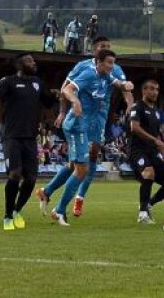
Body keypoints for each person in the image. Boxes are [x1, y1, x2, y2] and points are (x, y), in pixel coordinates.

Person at [37, 37, 132, 218]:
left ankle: (78, 197)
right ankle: (57, 201)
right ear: (95, 50)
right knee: (79, 164)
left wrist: (130, 105)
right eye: (102, 47)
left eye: (108, 46)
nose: (106, 49)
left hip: (100, 119)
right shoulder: (83, 68)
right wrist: (63, 112)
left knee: (89, 157)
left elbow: (125, 90)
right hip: (81, 118)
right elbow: (66, 88)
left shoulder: (114, 69)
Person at [0, 53, 59, 230]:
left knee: (32, 178)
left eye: (33, 60)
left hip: (30, 138)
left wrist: (55, 95)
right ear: (19, 65)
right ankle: (7, 216)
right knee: (15, 174)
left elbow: (47, 103)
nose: (33, 63)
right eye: (29, 60)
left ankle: (17, 211)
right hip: (12, 136)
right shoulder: (8, 81)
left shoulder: (37, 82)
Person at [127, 78, 164, 224]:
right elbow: (134, 127)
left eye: (157, 89)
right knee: (149, 172)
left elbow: (155, 134)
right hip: (137, 151)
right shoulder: (137, 107)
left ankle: (148, 204)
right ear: (144, 91)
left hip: (153, 153)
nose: (155, 92)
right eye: (152, 89)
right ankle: (142, 215)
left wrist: (161, 148)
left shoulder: (157, 112)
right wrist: (156, 141)